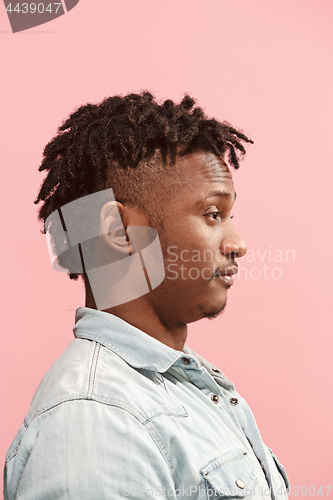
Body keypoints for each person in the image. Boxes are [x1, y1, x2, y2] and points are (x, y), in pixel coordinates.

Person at [4, 92, 290, 499]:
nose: (238, 243)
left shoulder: (188, 388)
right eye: (213, 214)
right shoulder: (98, 417)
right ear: (118, 231)